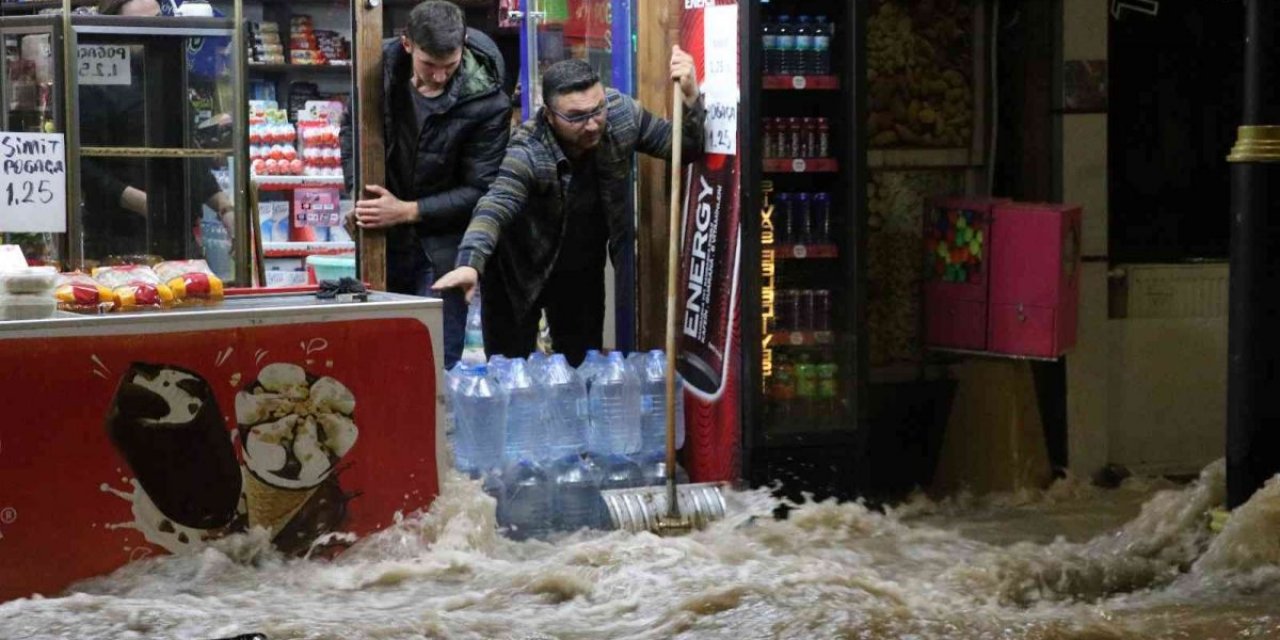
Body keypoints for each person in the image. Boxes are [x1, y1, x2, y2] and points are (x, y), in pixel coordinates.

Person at [431, 48, 703, 366]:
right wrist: (470, 263)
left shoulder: (620, 115)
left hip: (580, 268)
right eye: (575, 117)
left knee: (580, 370)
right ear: (549, 115)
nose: (591, 125)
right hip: (517, 272)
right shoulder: (528, 149)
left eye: (596, 110)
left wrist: (691, 95)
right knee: (509, 371)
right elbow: (496, 204)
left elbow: (685, 147)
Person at [353, 0, 510, 370]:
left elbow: (481, 188)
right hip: (383, 243)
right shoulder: (380, 72)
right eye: (429, 65)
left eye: (449, 66)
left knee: (437, 361)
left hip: (445, 245)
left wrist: (406, 211)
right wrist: (358, 195)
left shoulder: (488, 101)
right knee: (380, 358)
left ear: (465, 44)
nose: (439, 76)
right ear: (407, 44)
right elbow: (353, 131)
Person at [82, 0, 234, 262]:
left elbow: (186, 154)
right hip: (117, 240)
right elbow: (82, 165)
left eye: (157, 21)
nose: (151, 32)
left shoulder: (169, 75)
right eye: (138, 26)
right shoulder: (94, 84)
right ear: (112, 30)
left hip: (177, 237)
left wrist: (225, 207)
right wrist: (141, 202)